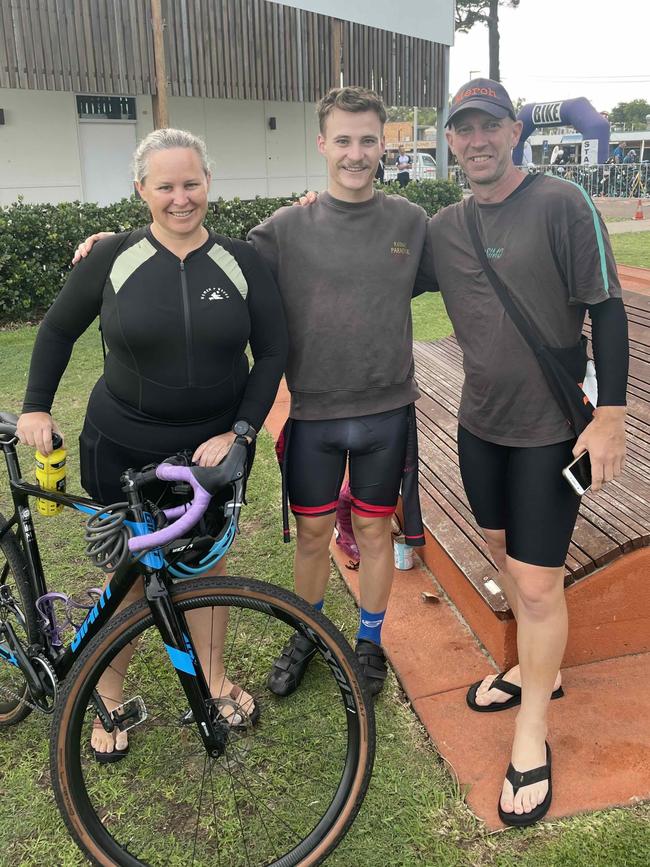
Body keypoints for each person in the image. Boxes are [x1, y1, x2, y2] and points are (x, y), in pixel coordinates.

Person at [70, 89, 432, 701]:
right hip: (314, 413)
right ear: (322, 144)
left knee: (375, 535)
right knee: (314, 535)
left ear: (383, 143)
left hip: (386, 409)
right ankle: (308, 633)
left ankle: (368, 645)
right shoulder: (284, 228)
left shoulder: (412, 222)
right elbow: (196, 247)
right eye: (342, 140)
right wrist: (109, 249)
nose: (356, 152)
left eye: (368, 139)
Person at [17, 128, 288, 760]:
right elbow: (58, 330)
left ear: (208, 183)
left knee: (205, 566)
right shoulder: (112, 256)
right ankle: (106, 695)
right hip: (123, 445)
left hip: (210, 452)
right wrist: (35, 406)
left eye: (191, 183)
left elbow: (273, 349)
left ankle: (215, 681)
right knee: (131, 575)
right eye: (165, 185)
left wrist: (241, 430)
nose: (180, 197)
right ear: (142, 189)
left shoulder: (243, 261)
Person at [421, 78, 628, 826]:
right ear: (451, 141)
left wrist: (610, 414)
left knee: (537, 587)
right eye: (462, 129)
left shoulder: (561, 203)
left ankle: (532, 727)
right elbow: (363, 261)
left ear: (514, 131)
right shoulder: (444, 226)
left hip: (552, 429)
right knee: (507, 558)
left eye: (488, 126)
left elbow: (605, 310)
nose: (475, 140)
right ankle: (533, 668)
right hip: (480, 426)